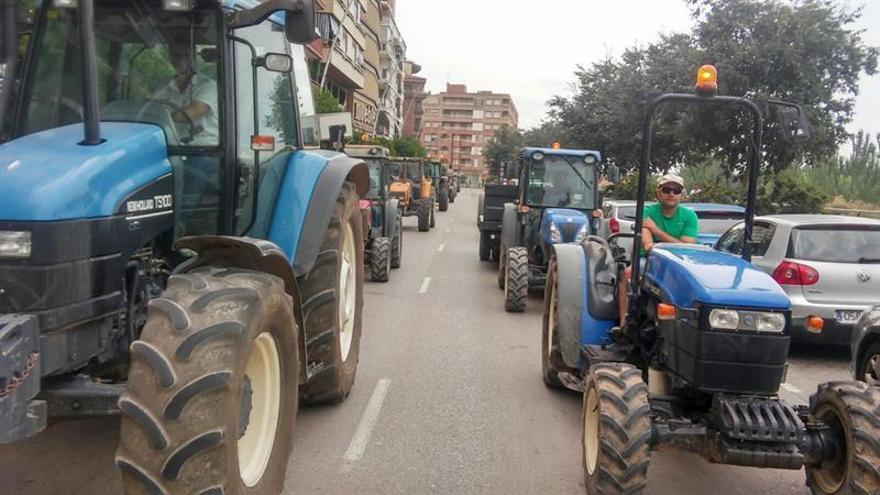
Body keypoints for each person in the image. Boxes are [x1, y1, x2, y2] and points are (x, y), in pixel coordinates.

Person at [617, 174, 698, 326]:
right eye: (667, 189)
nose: (671, 194)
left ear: (682, 194)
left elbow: (687, 246)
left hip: (679, 263)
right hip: (650, 260)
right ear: (658, 193)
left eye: (676, 190)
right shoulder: (647, 212)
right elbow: (648, 244)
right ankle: (624, 323)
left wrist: (658, 232)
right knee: (628, 274)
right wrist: (649, 243)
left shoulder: (689, 216)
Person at [153, 44, 219, 146]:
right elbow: (150, 108)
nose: (181, 60)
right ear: (170, 56)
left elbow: (187, 114)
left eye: (186, 55)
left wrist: (159, 116)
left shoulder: (208, 86)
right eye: (177, 55)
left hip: (203, 148)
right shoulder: (164, 86)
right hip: (172, 146)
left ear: (193, 57)